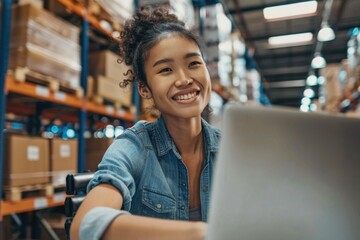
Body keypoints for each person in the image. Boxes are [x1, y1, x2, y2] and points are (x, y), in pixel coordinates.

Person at [70, 6, 221, 240]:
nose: (184, 80)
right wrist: (198, 233)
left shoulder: (229, 149)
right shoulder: (134, 147)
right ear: (144, 88)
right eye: (166, 70)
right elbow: (84, 226)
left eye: (193, 64)